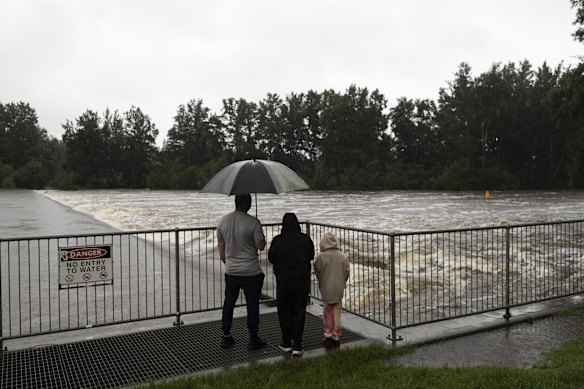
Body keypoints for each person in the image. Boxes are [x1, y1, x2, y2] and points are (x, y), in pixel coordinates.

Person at [217, 194, 267, 350]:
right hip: (251, 272)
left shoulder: (223, 221)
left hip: (231, 271)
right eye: (250, 201)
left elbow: (221, 247)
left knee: (229, 303)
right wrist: (262, 237)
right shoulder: (253, 222)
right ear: (246, 203)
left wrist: (228, 263)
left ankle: (226, 336)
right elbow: (260, 246)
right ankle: (253, 338)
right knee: (252, 305)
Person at [268, 213, 315, 357]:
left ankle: (286, 342)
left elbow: (271, 258)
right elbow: (311, 255)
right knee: (299, 310)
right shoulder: (305, 239)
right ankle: (298, 345)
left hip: (283, 280)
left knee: (284, 310)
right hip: (301, 279)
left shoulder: (278, 240)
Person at [314, 231, 350, 349]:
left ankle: (328, 335)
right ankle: (336, 335)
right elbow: (347, 272)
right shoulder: (343, 256)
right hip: (339, 288)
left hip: (326, 288)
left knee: (327, 312)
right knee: (337, 312)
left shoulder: (321, 257)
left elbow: (317, 271)